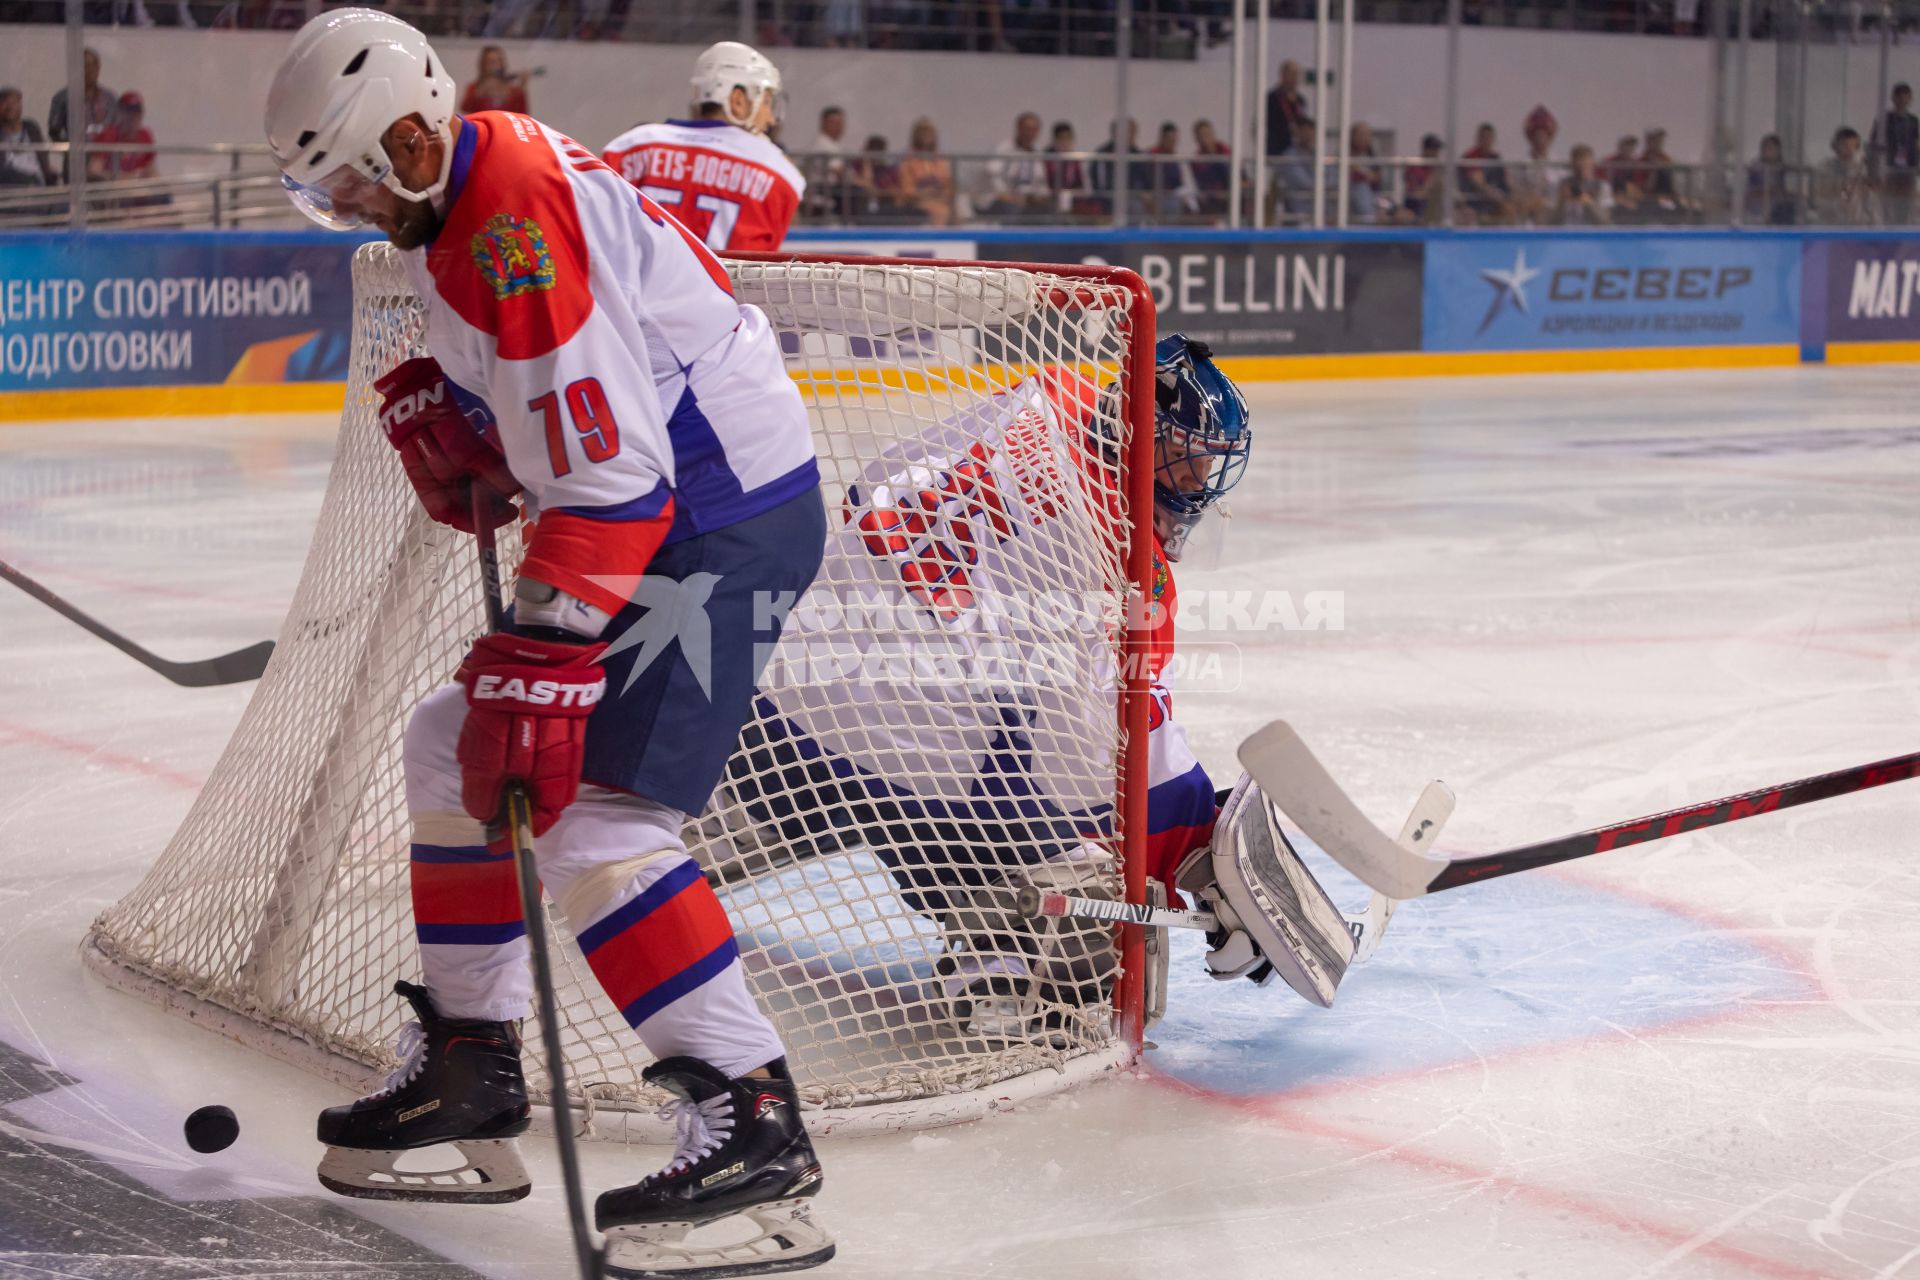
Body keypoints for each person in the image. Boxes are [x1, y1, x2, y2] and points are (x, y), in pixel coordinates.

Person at [264, 12, 833, 1276]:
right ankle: (473, 1062)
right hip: (669, 508)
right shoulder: (456, 197)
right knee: (445, 747)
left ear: (417, 129)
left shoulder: (506, 214)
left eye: (363, 172)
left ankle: (756, 1118)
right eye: (336, 188)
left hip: (715, 520)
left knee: (598, 815)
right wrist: (472, 424)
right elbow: (572, 409)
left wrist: (547, 646)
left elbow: (618, 476)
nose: (358, 204)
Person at [722, 337, 1358, 1032]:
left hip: (774, 698)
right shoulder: (1124, 566)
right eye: (1187, 461)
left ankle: (653, 854)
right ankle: (1008, 957)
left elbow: (871, 486)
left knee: (953, 732)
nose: (1199, 482)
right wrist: (1203, 863)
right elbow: (1110, 762)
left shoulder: (1047, 396)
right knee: (1082, 870)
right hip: (903, 770)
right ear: (1139, 444)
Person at [600, 41, 804, 251]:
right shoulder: (778, 172)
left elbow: (599, 233)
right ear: (738, 100)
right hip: (725, 285)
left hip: (640, 283)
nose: (770, 118)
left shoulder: (631, 145)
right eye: (767, 102)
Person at [47, 47, 114, 183]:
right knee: (75, 202)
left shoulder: (110, 98)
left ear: (98, 68)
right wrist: (70, 150)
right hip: (76, 162)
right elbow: (54, 130)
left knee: (105, 200)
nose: (88, 70)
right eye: (84, 65)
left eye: (92, 65)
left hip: (104, 162)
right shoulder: (63, 98)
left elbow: (117, 128)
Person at [979, 110, 1052, 219]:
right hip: (1000, 200)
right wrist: (1007, 196)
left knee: (1048, 212)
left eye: (1034, 130)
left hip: (1027, 200)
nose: (1030, 133)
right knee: (1012, 210)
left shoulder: (1037, 153)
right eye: (1027, 129)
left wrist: (1043, 196)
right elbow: (992, 175)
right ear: (1018, 128)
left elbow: (1041, 181)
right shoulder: (1003, 149)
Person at [1870, 82, 1917, 225]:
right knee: (1887, 204)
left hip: (1908, 169)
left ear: (1910, 99)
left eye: (1906, 97)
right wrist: (1875, 170)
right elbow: (1875, 144)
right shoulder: (1885, 119)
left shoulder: (1914, 121)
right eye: (1899, 97)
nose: (1902, 100)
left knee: (1905, 205)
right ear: (1893, 98)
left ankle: (1901, 233)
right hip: (1889, 169)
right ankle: (1889, 234)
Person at [88, 90, 156, 185]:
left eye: (136, 112)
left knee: (163, 195)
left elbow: (152, 170)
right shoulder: (108, 135)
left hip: (137, 190)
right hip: (114, 191)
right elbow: (94, 172)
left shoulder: (145, 136)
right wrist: (119, 178)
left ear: (141, 114)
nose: (132, 117)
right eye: (128, 111)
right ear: (120, 113)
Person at [898, 116, 954, 226]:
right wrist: (923, 194)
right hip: (916, 200)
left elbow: (947, 182)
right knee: (941, 211)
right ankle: (937, 241)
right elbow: (906, 188)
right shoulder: (908, 160)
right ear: (916, 136)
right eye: (923, 134)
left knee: (957, 209)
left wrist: (943, 194)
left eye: (929, 134)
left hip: (938, 197)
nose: (926, 137)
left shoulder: (940, 159)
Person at [1816, 125, 1875, 225]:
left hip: (1856, 224)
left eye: (1853, 145)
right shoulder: (1825, 168)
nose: (1849, 149)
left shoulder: (1862, 170)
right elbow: (1820, 197)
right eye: (1845, 145)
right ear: (1835, 146)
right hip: (1831, 224)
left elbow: (1869, 201)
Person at [1509, 104, 1557, 225]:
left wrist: (1544, 202)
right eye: (1537, 136)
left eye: (1544, 136)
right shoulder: (1520, 165)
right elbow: (1514, 190)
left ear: (1549, 137)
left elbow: (1559, 195)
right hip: (1524, 212)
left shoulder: (1558, 165)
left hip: (1550, 216)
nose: (1540, 140)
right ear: (1531, 138)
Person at [0, 86, 56, 191]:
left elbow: (44, 159)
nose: (9, 107)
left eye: (14, 102)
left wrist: (48, 172)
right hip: (11, 189)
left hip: (39, 186)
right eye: (4, 102)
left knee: (66, 204)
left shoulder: (31, 128)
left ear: (20, 105)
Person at [1458, 121, 1509, 223]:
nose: (1486, 141)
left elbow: (1504, 182)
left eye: (1489, 137)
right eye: (1484, 137)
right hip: (1474, 201)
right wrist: (1495, 195)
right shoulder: (1471, 157)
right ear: (1478, 138)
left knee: (1511, 208)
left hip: (1494, 202)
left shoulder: (1495, 158)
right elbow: (1478, 183)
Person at [458, 46, 530, 116]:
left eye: (498, 60)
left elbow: (522, 114)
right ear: (483, 64)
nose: (495, 65)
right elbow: (465, 109)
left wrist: (522, 87)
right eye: (490, 61)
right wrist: (480, 90)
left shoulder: (514, 90)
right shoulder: (474, 88)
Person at [1744, 133, 1798, 225]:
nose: (1768, 151)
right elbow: (1750, 193)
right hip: (1756, 211)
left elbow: (1785, 192)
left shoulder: (1782, 169)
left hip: (1778, 210)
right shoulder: (1755, 168)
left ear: (1779, 150)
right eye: (1766, 148)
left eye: (1772, 148)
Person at [1554, 143, 1612, 225]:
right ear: (1572, 164)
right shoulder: (1563, 184)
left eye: (1585, 162)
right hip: (1567, 232)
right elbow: (1552, 222)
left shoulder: (1602, 186)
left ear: (1592, 163)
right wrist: (1562, 201)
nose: (1581, 166)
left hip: (1591, 234)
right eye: (1578, 162)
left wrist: (1590, 203)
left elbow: (1605, 221)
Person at [1264, 58, 1307, 158]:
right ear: (1282, 75)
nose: (1294, 78)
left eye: (1296, 74)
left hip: (1300, 149)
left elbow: (1303, 123)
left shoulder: (1301, 100)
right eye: (1290, 74)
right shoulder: (1272, 98)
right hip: (1280, 149)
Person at [1191, 118, 1231, 217]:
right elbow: (1202, 184)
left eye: (1207, 134)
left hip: (1232, 192)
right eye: (1201, 136)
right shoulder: (1197, 161)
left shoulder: (1226, 151)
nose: (1205, 139)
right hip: (1213, 198)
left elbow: (1236, 175)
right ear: (1197, 138)